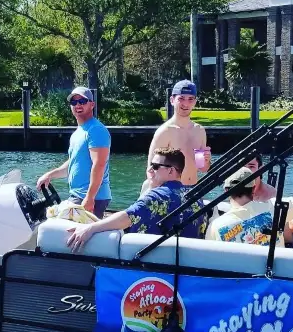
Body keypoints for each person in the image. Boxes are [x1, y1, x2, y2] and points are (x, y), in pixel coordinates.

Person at [66, 148, 207, 253]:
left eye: (156, 166)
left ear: (171, 171)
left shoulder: (157, 197)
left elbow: (127, 217)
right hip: (184, 261)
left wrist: (90, 229)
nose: (150, 170)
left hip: (153, 261)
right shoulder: (196, 197)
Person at [36, 87, 111, 217]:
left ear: (92, 104)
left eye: (82, 101)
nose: (78, 105)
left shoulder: (96, 130)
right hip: (77, 195)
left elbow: (99, 164)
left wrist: (90, 197)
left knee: (61, 230)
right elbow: (74, 163)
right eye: (74, 102)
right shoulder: (79, 132)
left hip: (90, 197)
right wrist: (50, 175)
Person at [141, 79, 208, 193]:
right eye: (181, 98)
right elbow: (151, 171)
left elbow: (202, 168)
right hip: (168, 192)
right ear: (172, 100)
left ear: (195, 102)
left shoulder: (199, 131)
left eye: (190, 99)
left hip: (193, 190)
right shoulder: (165, 131)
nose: (186, 104)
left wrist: (206, 160)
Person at [205, 168, 293, 247]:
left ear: (226, 191)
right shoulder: (275, 207)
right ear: (253, 189)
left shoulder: (215, 226)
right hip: (273, 266)